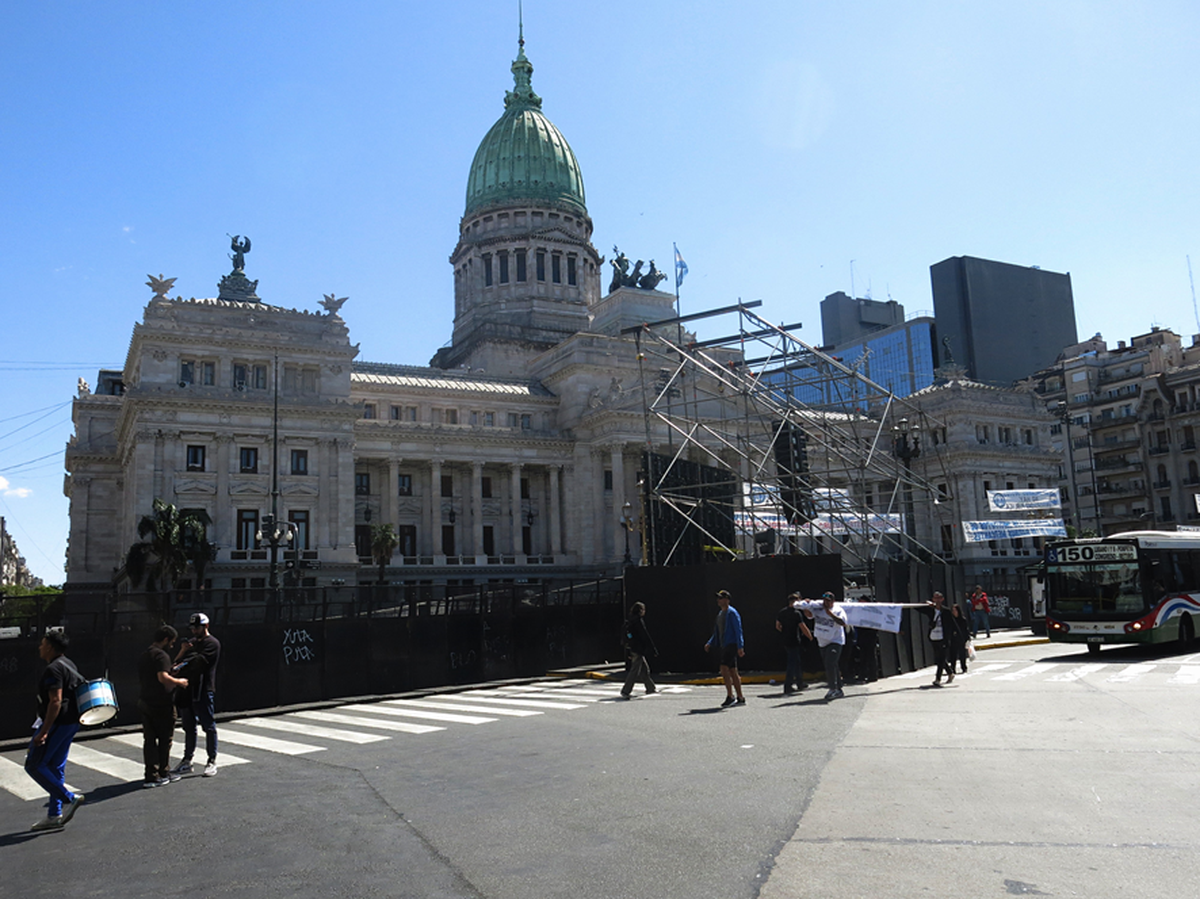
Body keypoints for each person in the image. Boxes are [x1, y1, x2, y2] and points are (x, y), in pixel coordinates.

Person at [25, 630, 86, 832]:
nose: (40, 647)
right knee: (55, 767)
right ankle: (54, 814)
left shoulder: (53, 669)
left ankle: (69, 798)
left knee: (33, 764)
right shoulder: (69, 664)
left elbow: (55, 700)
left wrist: (44, 731)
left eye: (43, 644)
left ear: (50, 647)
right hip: (71, 722)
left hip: (58, 723)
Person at [171, 612, 221, 778]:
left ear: (205, 626)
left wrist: (186, 661)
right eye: (192, 628)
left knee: (208, 725)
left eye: (197, 627)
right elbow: (176, 665)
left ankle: (211, 760)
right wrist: (182, 652)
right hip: (188, 689)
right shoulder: (190, 644)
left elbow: (198, 663)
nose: (194, 631)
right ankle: (187, 760)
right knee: (188, 726)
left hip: (204, 688)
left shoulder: (212, 643)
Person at [139, 625, 189, 787]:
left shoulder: (145, 654)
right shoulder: (161, 656)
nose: (172, 646)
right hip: (162, 703)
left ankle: (150, 774)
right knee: (165, 739)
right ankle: (163, 772)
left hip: (145, 700)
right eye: (172, 642)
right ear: (166, 640)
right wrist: (179, 682)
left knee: (149, 739)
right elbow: (163, 678)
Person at [793, 592, 851, 701]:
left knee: (830, 663)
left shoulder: (838, 610)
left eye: (829, 601)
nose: (826, 603)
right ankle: (839, 687)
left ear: (833, 601)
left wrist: (830, 614)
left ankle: (833, 689)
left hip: (835, 640)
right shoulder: (819, 608)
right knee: (831, 664)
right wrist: (806, 607)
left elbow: (843, 622)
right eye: (825, 601)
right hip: (822, 641)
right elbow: (809, 616)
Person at [704, 589, 745, 707]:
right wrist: (710, 642)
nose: (718, 600)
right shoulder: (720, 614)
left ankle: (730, 696)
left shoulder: (732, 613)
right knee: (732, 670)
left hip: (731, 645)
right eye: (718, 598)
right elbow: (717, 632)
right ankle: (740, 697)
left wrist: (740, 646)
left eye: (721, 598)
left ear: (727, 600)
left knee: (723, 668)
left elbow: (738, 630)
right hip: (724, 645)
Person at [775, 593, 813, 694]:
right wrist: (810, 636)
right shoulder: (796, 613)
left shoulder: (782, 612)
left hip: (785, 640)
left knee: (796, 662)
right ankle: (788, 685)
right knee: (792, 663)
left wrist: (784, 631)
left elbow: (777, 626)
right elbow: (802, 627)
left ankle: (800, 683)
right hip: (794, 640)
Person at [620, 602, 659, 698]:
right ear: (641, 610)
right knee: (635, 671)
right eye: (644, 610)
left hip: (633, 648)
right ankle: (626, 690)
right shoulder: (638, 621)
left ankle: (650, 688)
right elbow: (644, 635)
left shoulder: (630, 620)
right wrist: (653, 649)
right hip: (638, 649)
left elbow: (629, 636)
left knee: (644, 670)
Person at [923, 592, 958, 686]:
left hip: (943, 638)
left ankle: (938, 679)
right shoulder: (931, 610)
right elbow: (918, 608)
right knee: (939, 658)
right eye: (935, 598)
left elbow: (953, 624)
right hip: (933, 637)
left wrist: (961, 637)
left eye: (939, 598)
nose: (937, 600)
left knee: (941, 658)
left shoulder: (946, 611)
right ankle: (950, 673)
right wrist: (926, 603)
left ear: (942, 599)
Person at [949, 604, 970, 674]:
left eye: (955, 610)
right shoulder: (951, 620)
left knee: (962, 654)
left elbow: (966, 630)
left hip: (961, 639)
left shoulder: (962, 620)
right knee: (953, 655)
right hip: (954, 639)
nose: (954, 612)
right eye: (953, 611)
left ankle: (963, 667)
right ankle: (953, 668)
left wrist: (967, 639)